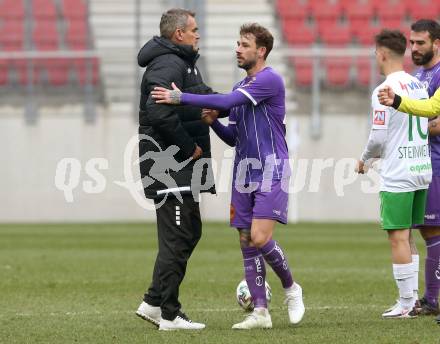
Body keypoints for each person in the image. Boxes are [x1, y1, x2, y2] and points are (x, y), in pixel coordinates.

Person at [151, 23, 305, 330]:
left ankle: (291, 288)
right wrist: (213, 124)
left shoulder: (269, 80)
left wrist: (180, 97)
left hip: (271, 169)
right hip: (243, 173)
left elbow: (224, 102)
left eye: (244, 44)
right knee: (247, 240)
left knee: (261, 237)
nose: (238, 48)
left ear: (260, 51)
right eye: (237, 43)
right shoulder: (241, 87)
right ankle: (260, 312)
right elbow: (235, 136)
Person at [135, 8, 216, 331]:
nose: (198, 34)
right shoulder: (168, 63)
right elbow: (158, 113)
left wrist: (234, 99)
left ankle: (154, 302)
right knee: (178, 236)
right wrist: (188, 146)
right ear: (178, 34)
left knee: (190, 231)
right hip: (169, 166)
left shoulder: (184, 63)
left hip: (182, 169)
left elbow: (199, 96)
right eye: (194, 30)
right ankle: (167, 313)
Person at [355, 29, 432, 318]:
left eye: (375, 52)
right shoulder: (419, 85)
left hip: (398, 171)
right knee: (408, 235)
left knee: (397, 237)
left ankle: (405, 302)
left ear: (383, 53)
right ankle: (411, 300)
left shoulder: (384, 90)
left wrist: (364, 159)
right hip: (421, 167)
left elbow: (377, 137)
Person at [378, 19, 440, 319]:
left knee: (430, 231)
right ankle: (416, 300)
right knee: (414, 231)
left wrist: (406, 128)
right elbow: (424, 115)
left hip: (434, 162)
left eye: (420, 43)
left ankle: (429, 299)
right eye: (411, 43)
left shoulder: (438, 75)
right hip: (421, 160)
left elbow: (435, 121)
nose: (413, 48)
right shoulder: (417, 77)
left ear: (436, 44)